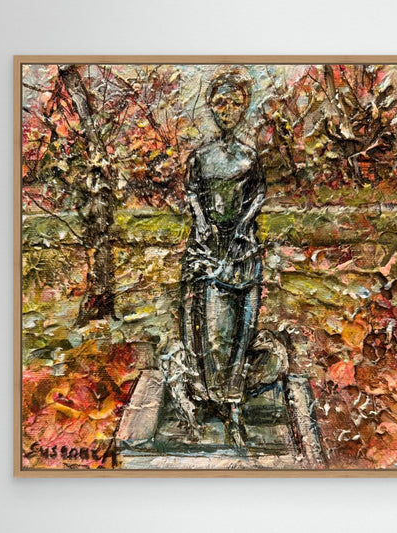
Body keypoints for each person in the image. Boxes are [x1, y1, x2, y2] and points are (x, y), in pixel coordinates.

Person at [179, 70, 266, 448]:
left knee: (240, 330)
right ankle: (207, 397)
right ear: (211, 107)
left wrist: (244, 224)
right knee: (210, 330)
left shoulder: (250, 157)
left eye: (235, 104)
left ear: (244, 108)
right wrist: (201, 221)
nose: (227, 110)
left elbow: (258, 194)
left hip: (241, 248)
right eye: (221, 103)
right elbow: (192, 192)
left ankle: (232, 404)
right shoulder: (200, 157)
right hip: (208, 247)